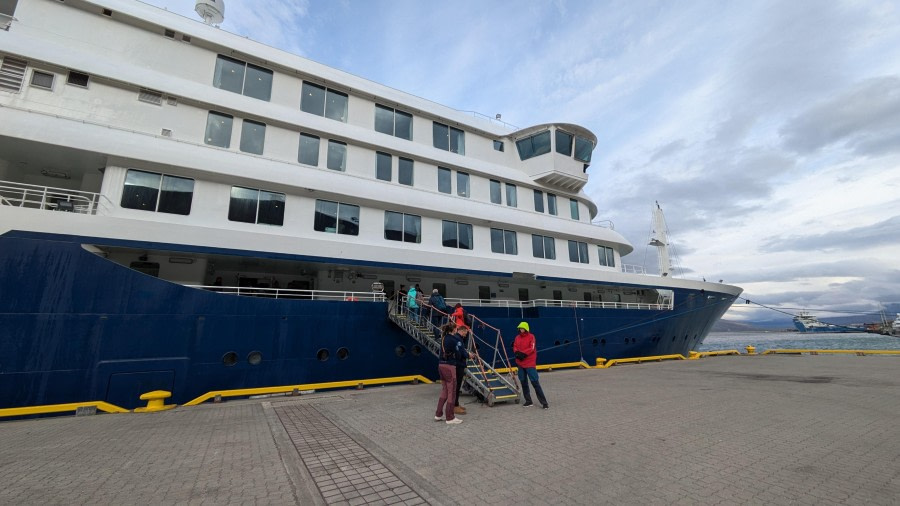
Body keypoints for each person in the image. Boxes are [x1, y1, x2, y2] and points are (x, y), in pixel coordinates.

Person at [435, 322, 467, 424]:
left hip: (441, 365)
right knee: (452, 392)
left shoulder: (444, 338)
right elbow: (458, 355)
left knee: (444, 390)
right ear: (453, 329)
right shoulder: (453, 340)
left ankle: (438, 414)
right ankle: (450, 417)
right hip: (449, 366)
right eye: (456, 328)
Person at [512, 321, 549, 409]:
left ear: (526, 329)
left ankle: (544, 403)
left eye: (522, 328)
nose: (521, 330)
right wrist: (516, 353)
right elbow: (515, 346)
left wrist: (523, 354)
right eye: (520, 328)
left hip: (529, 363)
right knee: (523, 382)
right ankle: (528, 401)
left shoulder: (531, 336)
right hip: (520, 363)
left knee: (535, 382)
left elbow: (531, 348)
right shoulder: (517, 337)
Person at [453, 325, 473, 415]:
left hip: (458, 364)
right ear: (462, 331)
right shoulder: (458, 339)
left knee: (457, 386)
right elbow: (460, 352)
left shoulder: (458, 338)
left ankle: (456, 404)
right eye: (466, 332)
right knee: (457, 386)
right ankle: (455, 406)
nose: (466, 334)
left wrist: (467, 354)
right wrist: (468, 355)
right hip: (459, 365)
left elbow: (461, 350)